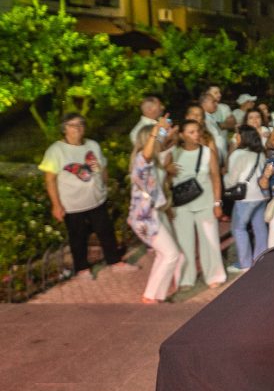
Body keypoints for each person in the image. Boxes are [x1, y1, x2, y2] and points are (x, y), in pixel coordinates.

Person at [40, 113, 136, 278]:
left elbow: (103, 167)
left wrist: (104, 185)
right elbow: (50, 180)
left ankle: (115, 262)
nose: (77, 128)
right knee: (78, 236)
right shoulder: (56, 150)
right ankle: (82, 269)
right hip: (73, 204)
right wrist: (56, 205)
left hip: (97, 199)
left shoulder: (92, 145)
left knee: (106, 231)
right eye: (72, 125)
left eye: (80, 124)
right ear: (64, 129)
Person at [129, 118, 183, 302]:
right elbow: (147, 153)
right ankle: (151, 296)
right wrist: (156, 130)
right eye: (155, 137)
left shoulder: (155, 161)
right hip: (145, 217)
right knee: (171, 254)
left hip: (156, 213)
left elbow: (167, 145)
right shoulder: (140, 160)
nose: (159, 139)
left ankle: (155, 295)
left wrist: (168, 132)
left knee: (165, 255)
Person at [167, 120, 226, 289]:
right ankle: (186, 277)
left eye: (197, 131)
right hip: (180, 205)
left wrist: (217, 203)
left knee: (210, 241)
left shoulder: (208, 152)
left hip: (206, 202)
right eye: (191, 132)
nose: (196, 135)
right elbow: (166, 180)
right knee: (184, 243)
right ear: (182, 135)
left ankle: (214, 274)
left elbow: (216, 178)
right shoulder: (174, 153)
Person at [225, 126, 268, 272]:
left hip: (245, 198)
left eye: (237, 135)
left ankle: (245, 263)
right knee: (260, 228)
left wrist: (224, 179)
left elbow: (231, 180)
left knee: (238, 228)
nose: (235, 138)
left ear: (242, 137)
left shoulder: (238, 154)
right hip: (261, 196)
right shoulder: (260, 154)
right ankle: (260, 259)